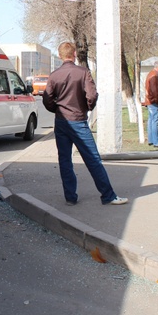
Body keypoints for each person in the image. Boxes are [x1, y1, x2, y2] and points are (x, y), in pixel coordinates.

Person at [42, 42, 127, 206]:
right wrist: (86, 108)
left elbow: (47, 99)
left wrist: (57, 109)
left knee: (65, 160)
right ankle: (108, 195)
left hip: (61, 122)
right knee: (93, 159)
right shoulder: (83, 72)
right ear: (74, 53)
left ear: (60, 56)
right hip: (78, 120)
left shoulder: (54, 75)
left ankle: (70, 197)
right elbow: (92, 95)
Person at [144, 60, 158, 147]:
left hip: (150, 101)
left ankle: (151, 140)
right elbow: (155, 91)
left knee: (151, 121)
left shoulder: (151, 74)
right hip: (154, 102)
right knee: (155, 121)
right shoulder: (154, 77)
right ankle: (156, 141)